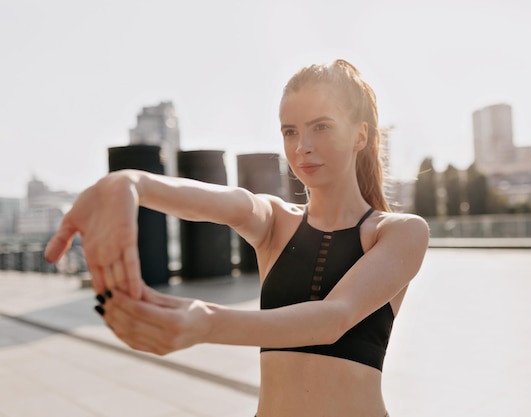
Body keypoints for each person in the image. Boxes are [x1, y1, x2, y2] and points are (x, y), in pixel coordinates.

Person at [45, 59, 429, 417]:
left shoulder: (399, 232)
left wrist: (207, 323)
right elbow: (219, 202)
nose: (302, 146)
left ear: (359, 134)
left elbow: (333, 318)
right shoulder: (275, 223)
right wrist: (132, 182)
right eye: (290, 131)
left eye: (321, 126)